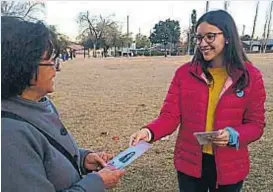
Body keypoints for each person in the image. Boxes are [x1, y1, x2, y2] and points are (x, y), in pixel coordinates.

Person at [129, 10, 266, 192]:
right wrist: (149, 132)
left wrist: (234, 135)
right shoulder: (184, 74)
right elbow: (169, 116)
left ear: (227, 37)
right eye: (199, 38)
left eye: (210, 37)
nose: (203, 43)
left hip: (230, 166)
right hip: (190, 163)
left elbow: (256, 125)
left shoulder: (251, 77)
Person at [1, 16, 125, 192]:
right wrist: (97, 183)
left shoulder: (40, 103)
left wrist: (82, 159)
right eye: (51, 61)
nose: (57, 68)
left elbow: (47, 157)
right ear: (22, 66)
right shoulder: (8, 134)